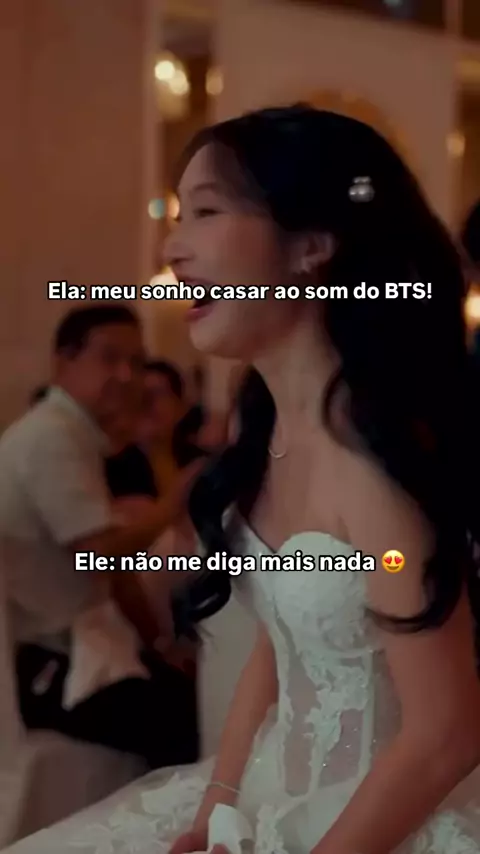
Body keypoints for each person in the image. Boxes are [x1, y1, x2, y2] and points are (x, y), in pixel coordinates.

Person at [11, 104, 480, 854]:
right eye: (178, 216)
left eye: (206, 212)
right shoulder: (268, 434)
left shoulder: (373, 466)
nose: (172, 247)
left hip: (376, 818)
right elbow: (282, 636)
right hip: (269, 791)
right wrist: (217, 808)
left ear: (311, 246)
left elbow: (447, 733)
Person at [1, 305, 200, 771]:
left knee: (199, 697)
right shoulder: (50, 437)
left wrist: (160, 644)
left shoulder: (76, 435)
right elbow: (100, 555)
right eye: (109, 358)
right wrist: (174, 503)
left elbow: (115, 573)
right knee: (195, 723)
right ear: (63, 362)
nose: (127, 376)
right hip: (48, 662)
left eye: (136, 362)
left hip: (76, 646)